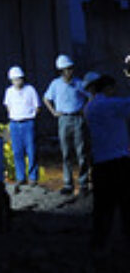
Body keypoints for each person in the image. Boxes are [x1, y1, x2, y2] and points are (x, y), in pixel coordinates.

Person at [83, 74, 130, 254]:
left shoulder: (90, 107)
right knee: (126, 205)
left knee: (102, 207)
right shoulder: (110, 104)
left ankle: (98, 244)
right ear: (108, 88)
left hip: (100, 163)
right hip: (119, 162)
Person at [43, 54, 89, 196]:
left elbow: (89, 95)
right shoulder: (55, 84)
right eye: (66, 69)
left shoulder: (79, 83)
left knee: (81, 152)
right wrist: (53, 112)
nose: (69, 72)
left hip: (77, 118)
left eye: (70, 69)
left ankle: (83, 183)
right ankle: (68, 184)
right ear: (61, 71)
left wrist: (84, 109)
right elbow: (46, 98)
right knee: (66, 153)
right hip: (63, 119)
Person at [2, 65, 40, 190]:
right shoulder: (9, 91)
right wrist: (13, 116)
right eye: (14, 80)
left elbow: (37, 106)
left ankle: (33, 177)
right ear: (11, 80)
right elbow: (7, 105)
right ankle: (20, 177)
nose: (17, 82)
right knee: (17, 152)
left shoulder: (30, 90)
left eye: (19, 79)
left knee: (31, 151)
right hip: (14, 123)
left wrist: (31, 116)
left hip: (28, 122)